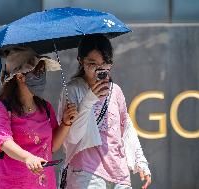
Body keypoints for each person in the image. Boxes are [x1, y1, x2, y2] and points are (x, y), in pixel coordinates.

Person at [58, 34, 152, 189]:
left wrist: (140, 162)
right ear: (81, 61)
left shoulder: (116, 91)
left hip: (119, 173)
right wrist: (90, 99)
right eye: (92, 64)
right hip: (85, 171)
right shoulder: (72, 90)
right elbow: (72, 137)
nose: (99, 69)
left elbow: (126, 128)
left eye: (105, 64)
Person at [0, 46, 78, 189]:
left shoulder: (45, 107)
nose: (42, 76)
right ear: (20, 77)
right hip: (9, 184)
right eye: (37, 72)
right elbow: (4, 143)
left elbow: (51, 147)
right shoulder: (1, 108)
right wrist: (28, 158)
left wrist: (65, 123)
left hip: (43, 184)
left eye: (43, 71)